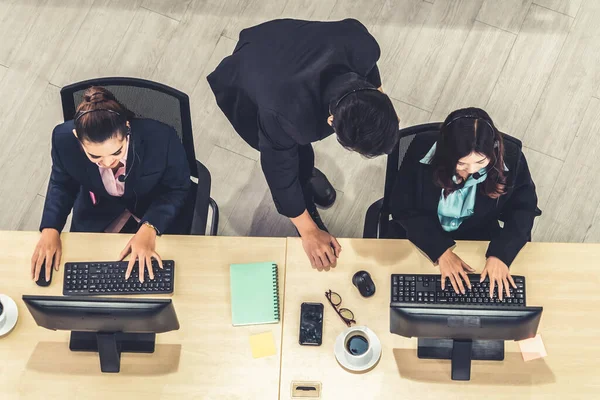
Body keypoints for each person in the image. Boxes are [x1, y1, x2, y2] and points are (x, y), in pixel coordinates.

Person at [207, 18, 400, 270]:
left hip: (298, 45)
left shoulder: (361, 45)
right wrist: (308, 230)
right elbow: (279, 172)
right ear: (331, 121)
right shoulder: (284, 114)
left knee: (297, 149)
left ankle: (307, 174)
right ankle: (304, 181)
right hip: (258, 60)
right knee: (291, 154)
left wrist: (378, 96)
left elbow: (370, 73)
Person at [32, 86, 191, 283]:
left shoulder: (162, 138)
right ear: (77, 138)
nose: (107, 163)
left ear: (127, 128)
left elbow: (177, 188)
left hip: (154, 211)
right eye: (95, 156)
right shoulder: (63, 140)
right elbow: (62, 183)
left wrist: (150, 227)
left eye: (117, 152)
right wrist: (50, 229)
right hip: (99, 213)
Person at [390, 108, 539, 299]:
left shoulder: (511, 157)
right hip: (424, 235)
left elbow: (524, 209)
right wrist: (440, 251)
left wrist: (501, 254)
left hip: (479, 237)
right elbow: (402, 205)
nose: (471, 170)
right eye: (461, 163)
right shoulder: (422, 147)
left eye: (480, 161)